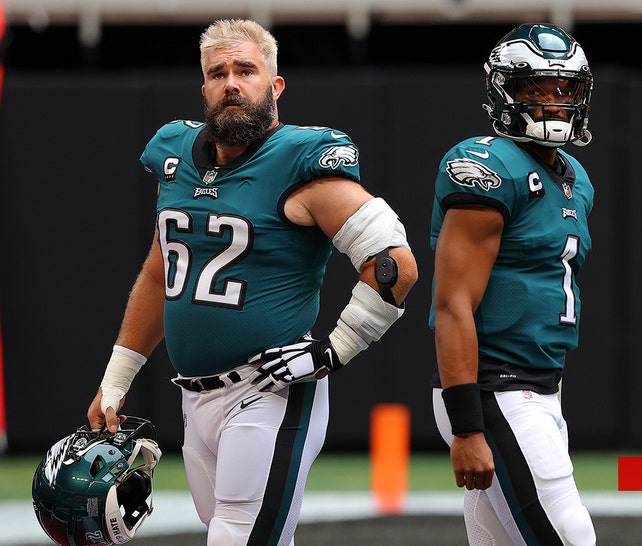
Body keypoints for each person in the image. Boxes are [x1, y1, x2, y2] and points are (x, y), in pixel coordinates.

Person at [86, 18, 417, 546]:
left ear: (276, 84)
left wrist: (334, 350)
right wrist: (117, 377)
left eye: (246, 70)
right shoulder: (175, 156)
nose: (232, 83)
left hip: (269, 390)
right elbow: (159, 275)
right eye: (218, 73)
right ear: (204, 89)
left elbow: (394, 263)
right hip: (194, 399)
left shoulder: (302, 160)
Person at [429, 23, 597, 545]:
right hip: (495, 386)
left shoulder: (574, 176)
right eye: (535, 89)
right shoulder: (486, 166)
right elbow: (453, 303)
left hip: (541, 386)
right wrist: (467, 425)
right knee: (571, 534)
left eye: (564, 89)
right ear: (504, 92)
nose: (553, 102)